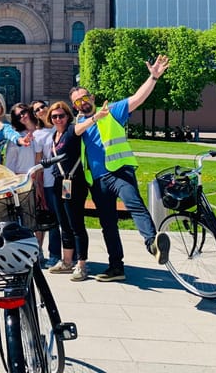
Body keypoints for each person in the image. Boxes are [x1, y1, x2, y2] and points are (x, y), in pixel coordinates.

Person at [70, 54, 171, 282]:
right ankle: (116, 267)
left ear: (92, 97)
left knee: (135, 205)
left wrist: (153, 78)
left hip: (119, 173)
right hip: (97, 180)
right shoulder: (81, 125)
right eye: (77, 101)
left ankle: (152, 244)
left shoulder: (112, 110)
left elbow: (137, 98)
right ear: (74, 106)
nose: (82, 102)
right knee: (108, 224)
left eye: (85, 98)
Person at [43, 100, 104, 281]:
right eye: (54, 116)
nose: (58, 119)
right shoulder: (55, 135)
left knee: (76, 224)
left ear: (68, 116)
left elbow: (83, 125)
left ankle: (81, 264)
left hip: (74, 183)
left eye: (61, 116)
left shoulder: (72, 130)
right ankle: (67, 261)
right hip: (58, 183)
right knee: (64, 224)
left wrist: (96, 116)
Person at [6, 103, 45, 254]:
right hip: (21, 182)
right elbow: (10, 165)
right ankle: (24, 250)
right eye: (17, 115)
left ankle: (39, 251)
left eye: (23, 112)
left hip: (42, 180)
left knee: (38, 218)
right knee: (25, 219)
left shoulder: (42, 131)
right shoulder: (17, 137)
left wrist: (38, 183)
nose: (22, 116)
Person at [30, 99, 59, 268]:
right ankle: (54, 255)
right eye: (36, 110)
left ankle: (75, 255)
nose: (41, 110)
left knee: (69, 219)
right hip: (49, 181)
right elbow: (38, 162)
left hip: (66, 180)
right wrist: (39, 186)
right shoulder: (38, 134)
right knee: (53, 219)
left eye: (42, 107)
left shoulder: (61, 124)